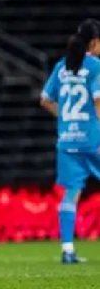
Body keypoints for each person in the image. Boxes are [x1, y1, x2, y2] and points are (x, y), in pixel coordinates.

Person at [40, 18, 100, 264]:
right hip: (93, 139)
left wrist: (64, 118)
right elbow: (98, 101)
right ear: (94, 43)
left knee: (71, 194)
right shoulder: (95, 65)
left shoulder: (61, 66)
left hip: (67, 141)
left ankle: (67, 249)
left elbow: (45, 100)